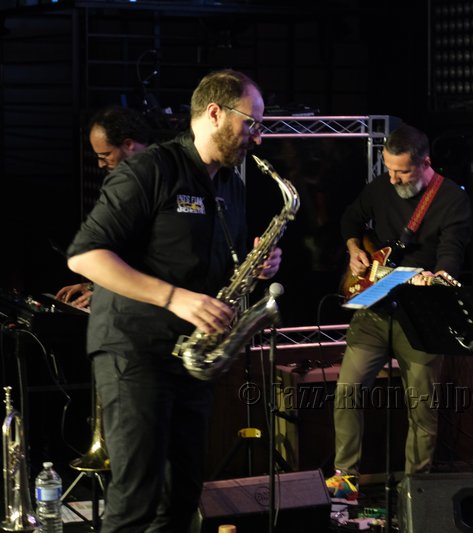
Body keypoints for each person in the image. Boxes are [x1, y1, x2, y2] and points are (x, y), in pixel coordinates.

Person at [66, 69, 281, 531]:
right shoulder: (149, 169)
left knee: (182, 499)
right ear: (215, 113)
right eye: (251, 123)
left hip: (190, 357)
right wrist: (173, 298)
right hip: (135, 350)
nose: (258, 137)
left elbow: (220, 267)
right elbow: (85, 257)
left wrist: (258, 266)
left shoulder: (231, 185)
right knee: (135, 503)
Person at [328, 124, 471, 496]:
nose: (392, 179)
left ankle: (415, 494)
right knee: (347, 392)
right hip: (375, 308)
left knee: (422, 410)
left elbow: (451, 255)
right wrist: (354, 249)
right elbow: (350, 219)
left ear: (425, 163)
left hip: (421, 317)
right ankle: (345, 484)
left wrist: (437, 278)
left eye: (402, 172)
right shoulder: (381, 186)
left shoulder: (452, 199)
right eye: (388, 169)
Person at [55, 105, 151, 308]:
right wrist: (96, 286)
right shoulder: (126, 183)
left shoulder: (155, 183)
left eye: (105, 155)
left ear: (129, 145)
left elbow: (151, 261)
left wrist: (105, 292)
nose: (100, 164)